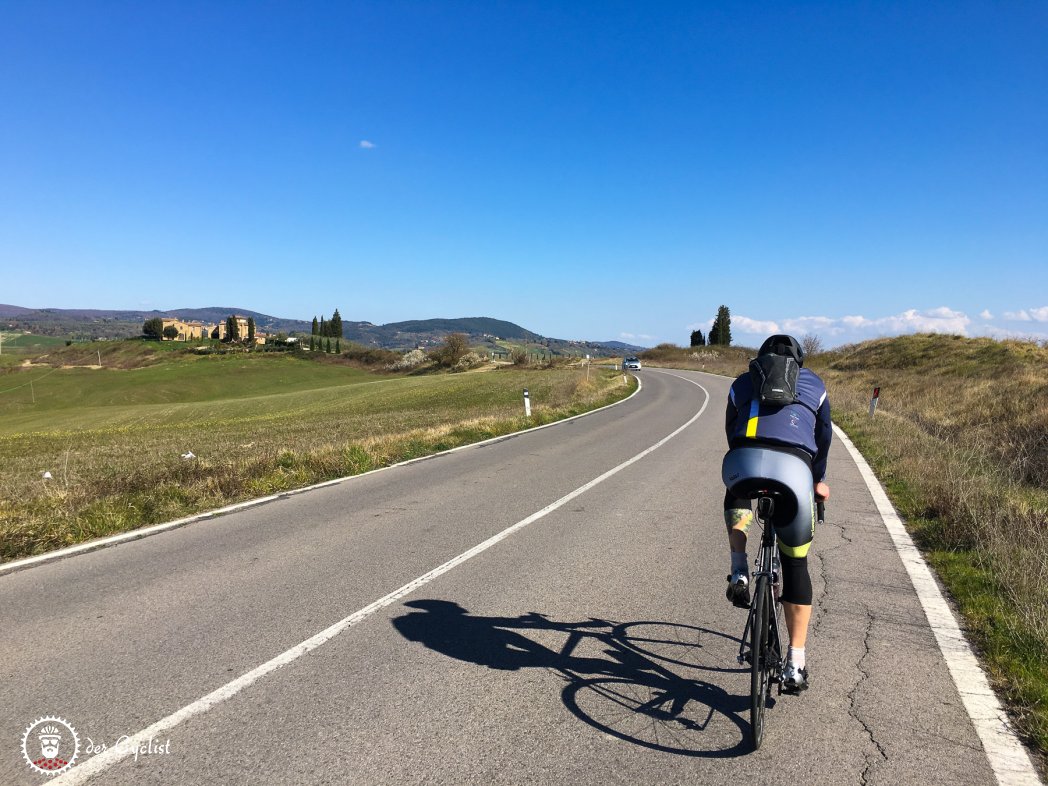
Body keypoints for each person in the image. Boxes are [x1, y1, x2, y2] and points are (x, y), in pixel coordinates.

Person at [721, 334, 832, 693]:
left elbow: (731, 431)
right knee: (795, 564)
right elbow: (824, 438)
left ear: (761, 359)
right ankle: (795, 663)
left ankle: (739, 568)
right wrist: (818, 482)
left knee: (736, 490)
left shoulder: (741, 382)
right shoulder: (814, 384)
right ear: (799, 362)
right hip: (795, 473)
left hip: (743, 461)